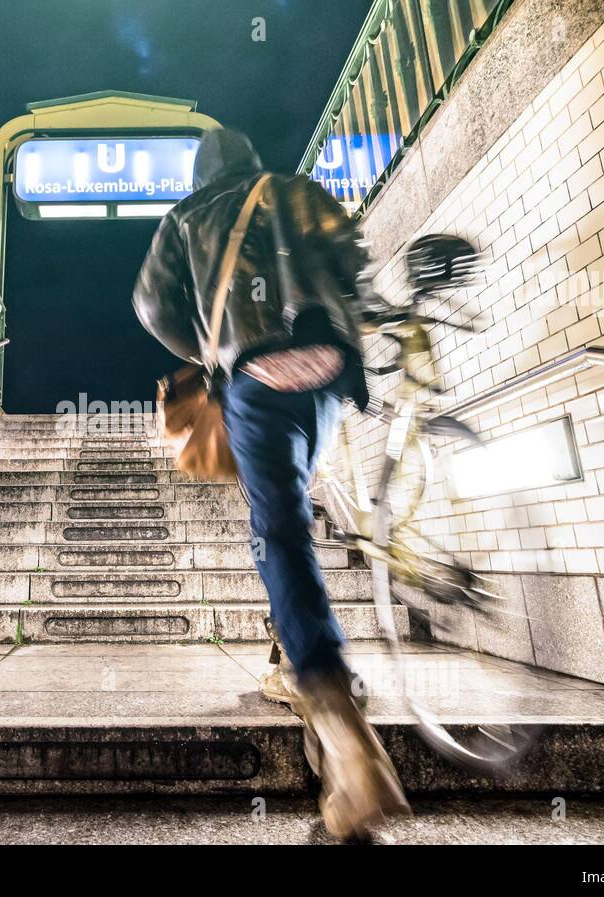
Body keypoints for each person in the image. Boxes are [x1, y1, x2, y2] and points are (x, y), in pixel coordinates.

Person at [132, 127, 409, 839]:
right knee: (293, 508)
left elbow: (152, 305)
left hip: (255, 375)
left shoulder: (187, 217)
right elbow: (352, 261)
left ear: (201, 173)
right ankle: (296, 659)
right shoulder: (300, 190)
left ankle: (333, 710)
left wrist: (210, 341)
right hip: (325, 372)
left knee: (278, 526)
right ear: (253, 162)